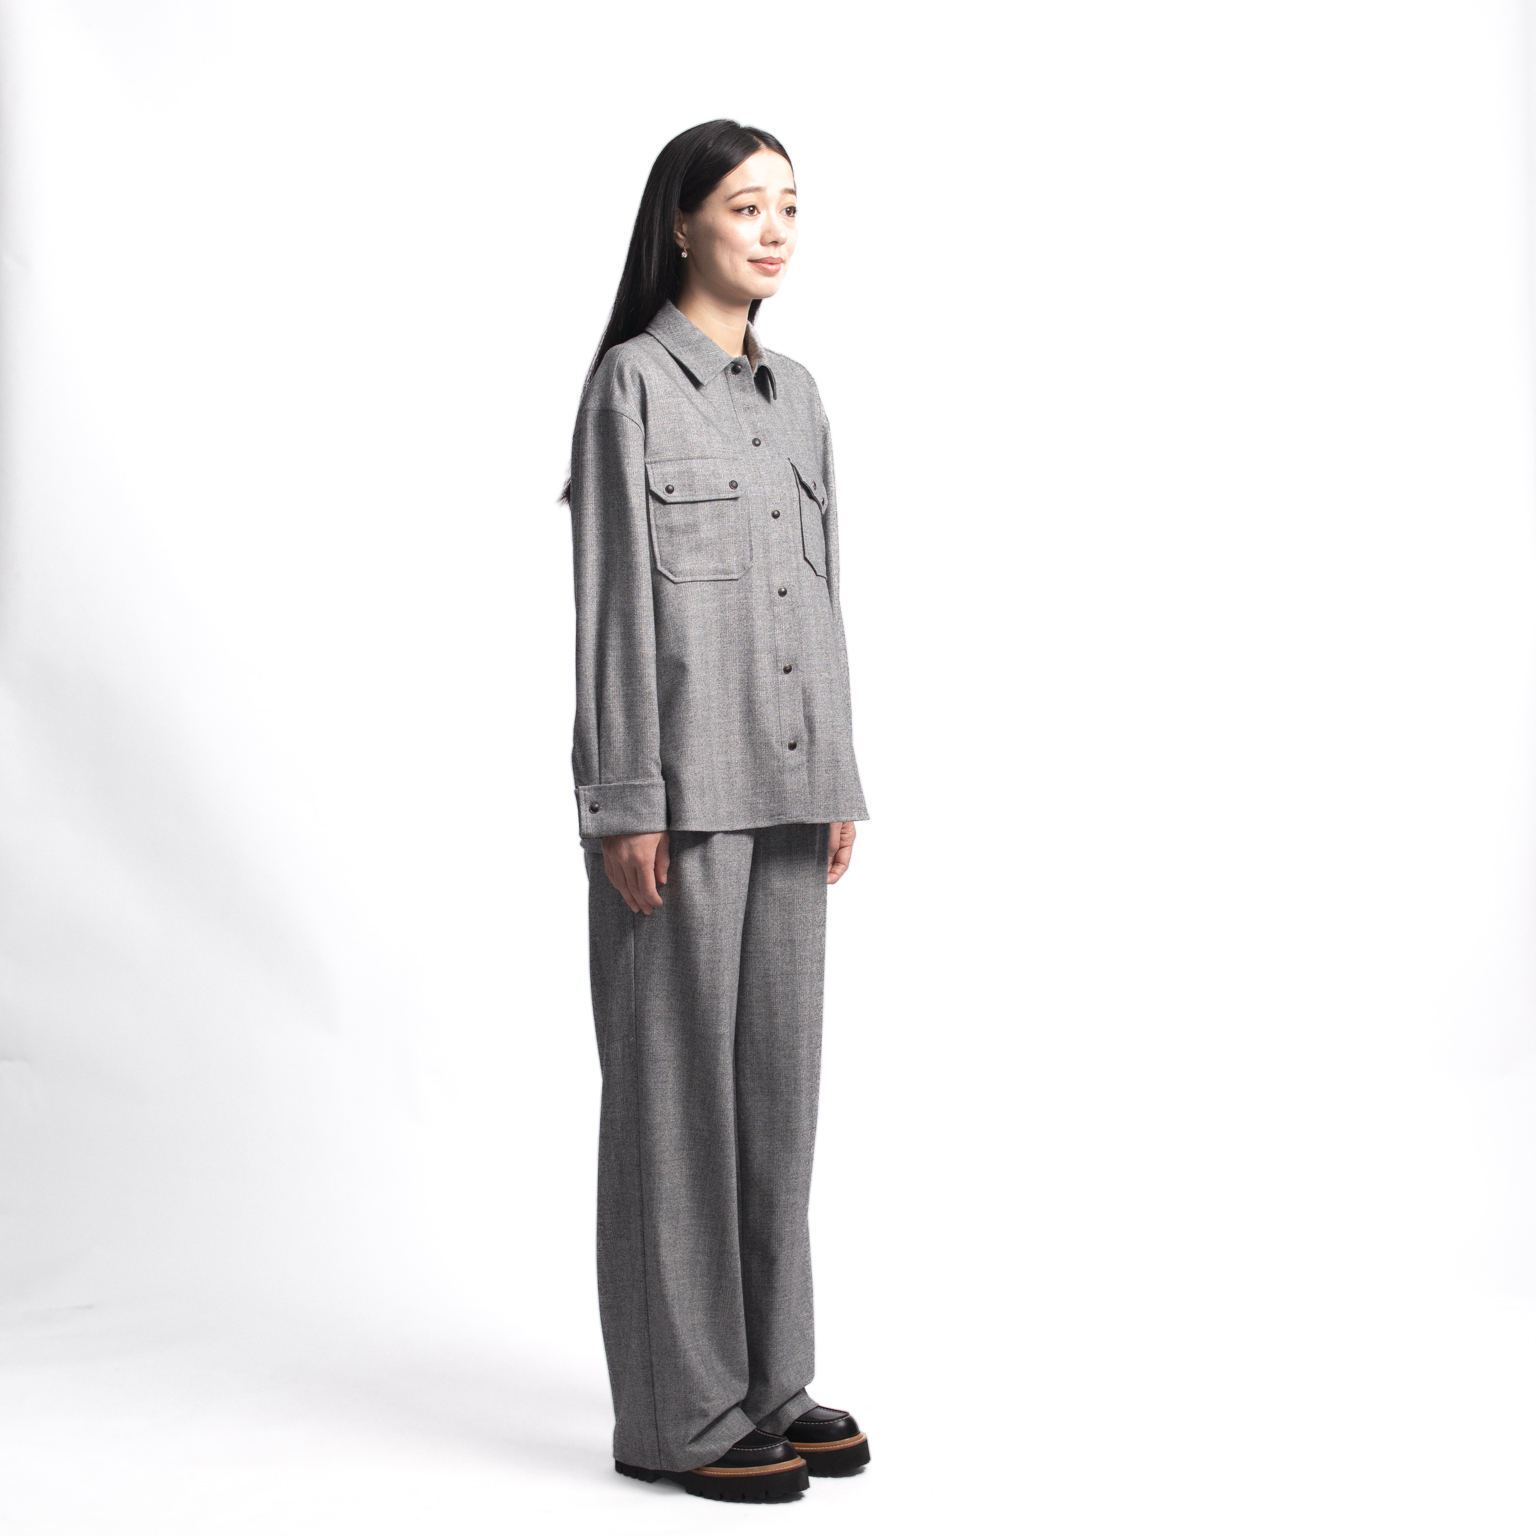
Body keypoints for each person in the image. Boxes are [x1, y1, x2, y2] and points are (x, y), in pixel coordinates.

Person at [565, 119, 870, 1505]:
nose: (774, 229)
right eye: (747, 206)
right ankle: (679, 1411)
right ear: (682, 223)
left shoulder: (798, 396)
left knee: (774, 1104)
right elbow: (613, 611)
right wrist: (625, 798)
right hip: (678, 805)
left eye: (788, 206)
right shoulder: (631, 385)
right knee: (675, 1106)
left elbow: (827, 593)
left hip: (792, 792)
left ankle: (770, 1378)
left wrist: (837, 774)